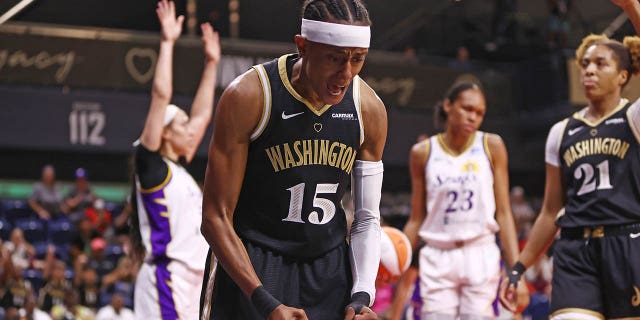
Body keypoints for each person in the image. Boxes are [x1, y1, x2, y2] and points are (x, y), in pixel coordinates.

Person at [199, 0, 387, 319]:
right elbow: (215, 217)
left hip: (326, 266)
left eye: (358, 60)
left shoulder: (368, 108)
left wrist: (362, 293)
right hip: (253, 260)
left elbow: (367, 217)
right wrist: (265, 302)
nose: (346, 73)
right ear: (302, 46)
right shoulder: (249, 96)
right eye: (334, 59)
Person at [500, 1, 640, 318]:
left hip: (628, 244)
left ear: (622, 76)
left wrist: (632, 8)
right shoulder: (561, 132)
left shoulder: (633, 117)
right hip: (576, 251)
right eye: (585, 63)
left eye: (600, 64)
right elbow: (551, 210)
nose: (589, 69)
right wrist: (519, 266)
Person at [403, 81, 526, 319]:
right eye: (467, 109)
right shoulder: (422, 152)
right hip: (438, 254)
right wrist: (397, 259)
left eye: (479, 113)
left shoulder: (492, 145)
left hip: (480, 250)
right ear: (448, 105)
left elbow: (503, 213)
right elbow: (416, 218)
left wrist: (516, 271)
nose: (473, 117)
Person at [130, 0, 220, 319]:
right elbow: (160, 96)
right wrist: (168, 42)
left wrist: (212, 63)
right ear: (165, 133)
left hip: (191, 281)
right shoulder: (152, 166)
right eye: (181, 124)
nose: (190, 129)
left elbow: (203, 115)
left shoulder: (177, 170)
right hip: (165, 280)